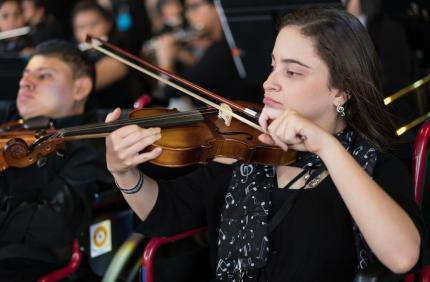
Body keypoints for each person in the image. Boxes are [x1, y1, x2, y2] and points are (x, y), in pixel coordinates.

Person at [105, 7, 427, 281]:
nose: (269, 82)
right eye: (273, 65)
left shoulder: (373, 164)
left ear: (340, 91)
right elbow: (168, 210)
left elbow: (402, 257)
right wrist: (124, 173)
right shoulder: (247, 151)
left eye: (291, 72)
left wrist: (327, 147)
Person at [0, 40, 113, 281]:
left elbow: (54, 225)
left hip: (29, 261)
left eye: (43, 76)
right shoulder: (12, 120)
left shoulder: (91, 142)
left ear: (79, 88)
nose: (24, 82)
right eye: (25, 75)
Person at [152, 0, 259, 110]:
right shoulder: (223, 46)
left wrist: (165, 60)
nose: (187, 14)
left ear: (217, 7)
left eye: (193, 7)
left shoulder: (222, 52)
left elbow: (168, 91)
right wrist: (180, 54)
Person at [72, 1, 140, 109]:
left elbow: (88, 82)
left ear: (108, 23)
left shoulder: (119, 50)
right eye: (81, 27)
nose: (88, 32)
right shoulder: (78, 55)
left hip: (122, 116)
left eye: (94, 24)